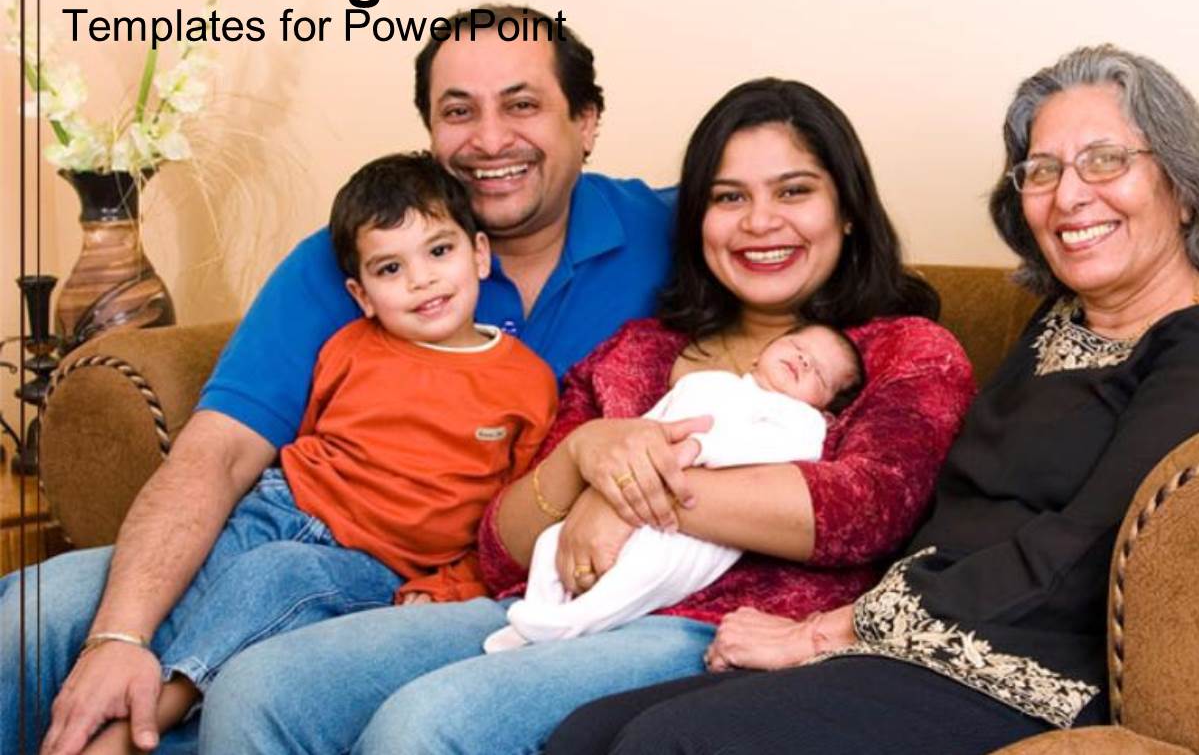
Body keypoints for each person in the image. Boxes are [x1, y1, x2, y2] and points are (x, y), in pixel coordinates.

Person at [546, 45, 1199, 755]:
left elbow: (1091, 543)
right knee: (585, 735)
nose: (1070, 196)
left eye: (1105, 161)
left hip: (1027, 669)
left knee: (673, 744)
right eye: (1041, 171)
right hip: (907, 645)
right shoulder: (1056, 329)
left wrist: (827, 632)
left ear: (1182, 185)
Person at [192, 77, 976, 755]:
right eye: (728, 197)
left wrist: (618, 495)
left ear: (847, 211)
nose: (759, 221)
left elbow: (868, 510)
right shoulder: (639, 350)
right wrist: (583, 456)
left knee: (426, 727)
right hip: (540, 601)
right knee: (264, 685)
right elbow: (502, 550)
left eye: (794, 191)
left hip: (709, 627)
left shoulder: (903, 350)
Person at [2, 2, 674, 755]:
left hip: (442, 578)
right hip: (288, 526)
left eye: (522, 105)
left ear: (586, 121)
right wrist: (118, 636)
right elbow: (218, 453)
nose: (489, 140)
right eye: (459, 111)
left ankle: (150, 719)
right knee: (36, 607)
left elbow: (793, 236)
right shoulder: (356, 254)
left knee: (272, 632)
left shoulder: (675, 236)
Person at [76, 152, 558, 754]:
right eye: (390, 267)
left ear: (480, 255)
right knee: (200, 590)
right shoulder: (349, 347)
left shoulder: (528, 383)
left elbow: (508, 518)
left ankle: (145, 718)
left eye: (440, 251)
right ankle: (128, 698)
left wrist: (452, 584)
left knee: (277, 578)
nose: (422, 279)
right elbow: (304, 440)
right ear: (361, 293)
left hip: (378, 563)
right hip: (280, 508)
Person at [486, 323, 865, 651]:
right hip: (629, 488)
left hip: (699, 528)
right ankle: (539, 611)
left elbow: (780, 450)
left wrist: (702, 449)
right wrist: (614, 469)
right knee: (552, 541)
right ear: (758, 355)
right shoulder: (705, 382)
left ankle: (572, 624)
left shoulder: (800, 419)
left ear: (826, 410)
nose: (801, 360)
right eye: (796, 347)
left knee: (648, 572)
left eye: (817, 371)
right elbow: (649, 424)